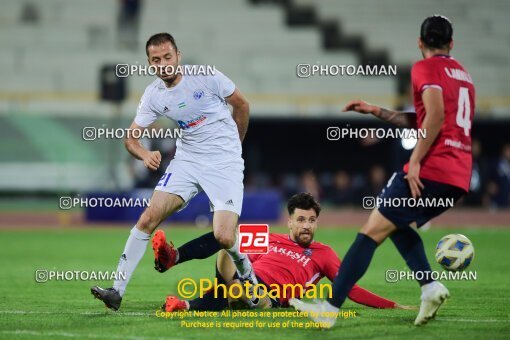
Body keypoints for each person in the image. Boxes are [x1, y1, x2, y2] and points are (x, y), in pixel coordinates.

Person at [291, 15, 475, 327]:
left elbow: (436, 116)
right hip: (458, 174)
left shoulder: (424, 68)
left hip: (432, 167)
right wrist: (377, 110)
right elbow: (424, 118)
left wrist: (415, 160)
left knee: (370, 232)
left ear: (420, 43)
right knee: (394, 223)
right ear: (451, 43)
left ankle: (329, 310)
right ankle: (430, 287)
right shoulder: (464, 76)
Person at [91, 32, 260, 310]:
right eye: (156, 60)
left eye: (168, 57)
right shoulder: (154, 95)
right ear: (149, 63)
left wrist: (235, 146)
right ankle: (116, 291)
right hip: (188, 161)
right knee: (147, 218)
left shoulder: (206, 76)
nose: (163, 64)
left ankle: (248, 274)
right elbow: (130, 138)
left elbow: (241, 105)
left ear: (178, 56)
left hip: (224, 163)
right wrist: (144, 154)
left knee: (224, 236)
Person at [154, 193, 412, 311]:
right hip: (245, 281)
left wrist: (393, 305)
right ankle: (173, 258)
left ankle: (186, 305)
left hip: (269, 296)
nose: (306, 225)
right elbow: (242, 264)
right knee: (230, 236)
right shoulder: (270, 238)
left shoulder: (323, 253)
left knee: (235, 290)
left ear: (317, 223)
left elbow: (349, 286)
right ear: (290, 222)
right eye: (300, 220)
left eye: (311, 220)